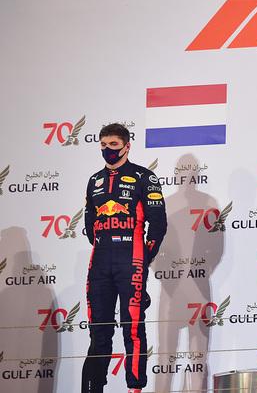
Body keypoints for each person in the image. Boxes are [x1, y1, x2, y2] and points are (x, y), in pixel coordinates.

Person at [81, 123, 167, 393]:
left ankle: (135, 388)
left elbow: (158, 224)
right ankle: (95, 387)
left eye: (113, 145)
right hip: (100, 260)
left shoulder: (144, 177)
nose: (107, 150)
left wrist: (144, 256)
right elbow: (90, 225)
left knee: (132, 328)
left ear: (127, 146)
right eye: (103, 145)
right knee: (99, 329)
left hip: (132, 259)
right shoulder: (94, 180)